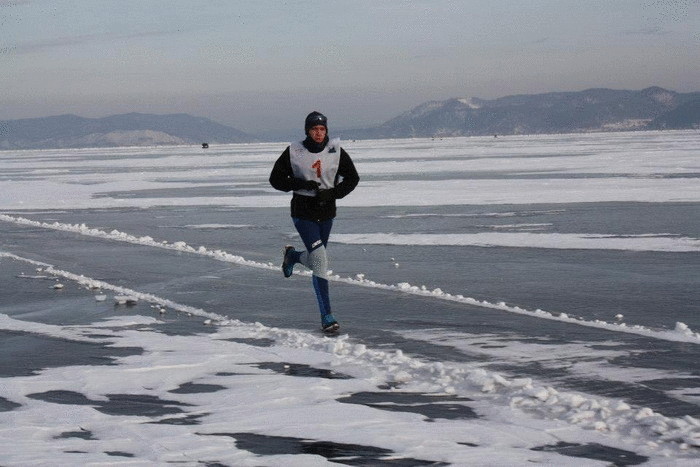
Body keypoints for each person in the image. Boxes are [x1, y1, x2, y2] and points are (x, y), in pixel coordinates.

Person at [269, 111, 359, 332]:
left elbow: (353, 178)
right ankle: (327, 315)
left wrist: (334, 193)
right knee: (320, 260)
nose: (319, 133)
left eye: (322, 129)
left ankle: (294, 256)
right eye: (314, 129)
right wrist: (297, 183)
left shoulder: (335, 151)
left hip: (327, 213)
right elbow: (275, 179)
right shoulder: (294, 151)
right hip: (302, 212)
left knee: (318, 259)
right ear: (307, 131)